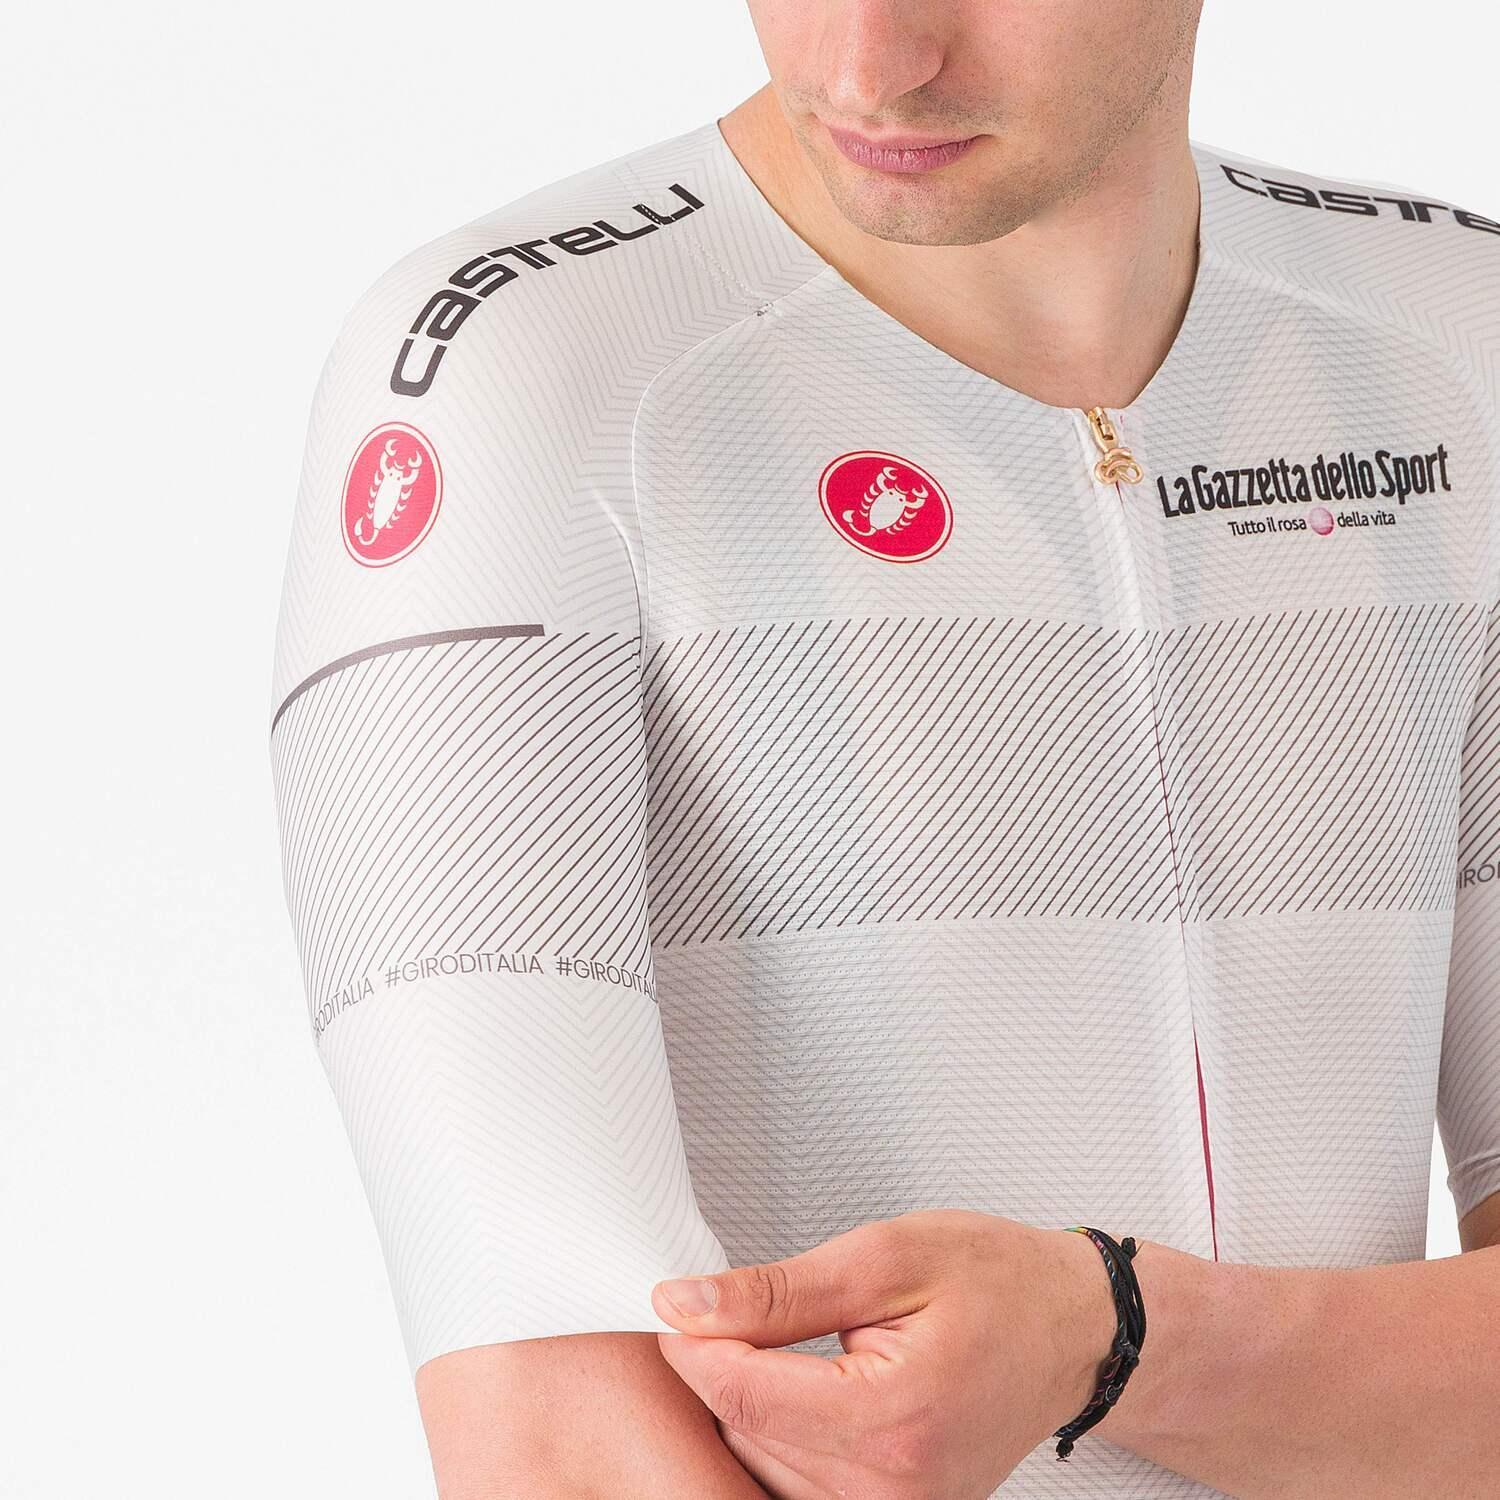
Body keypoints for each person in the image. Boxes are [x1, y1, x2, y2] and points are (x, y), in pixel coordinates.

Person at [266, 0, 1500, 1494]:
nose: (868, 65)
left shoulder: (1459, 343)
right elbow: (550, 1430)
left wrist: (1112, 1341)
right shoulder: (528, 375)